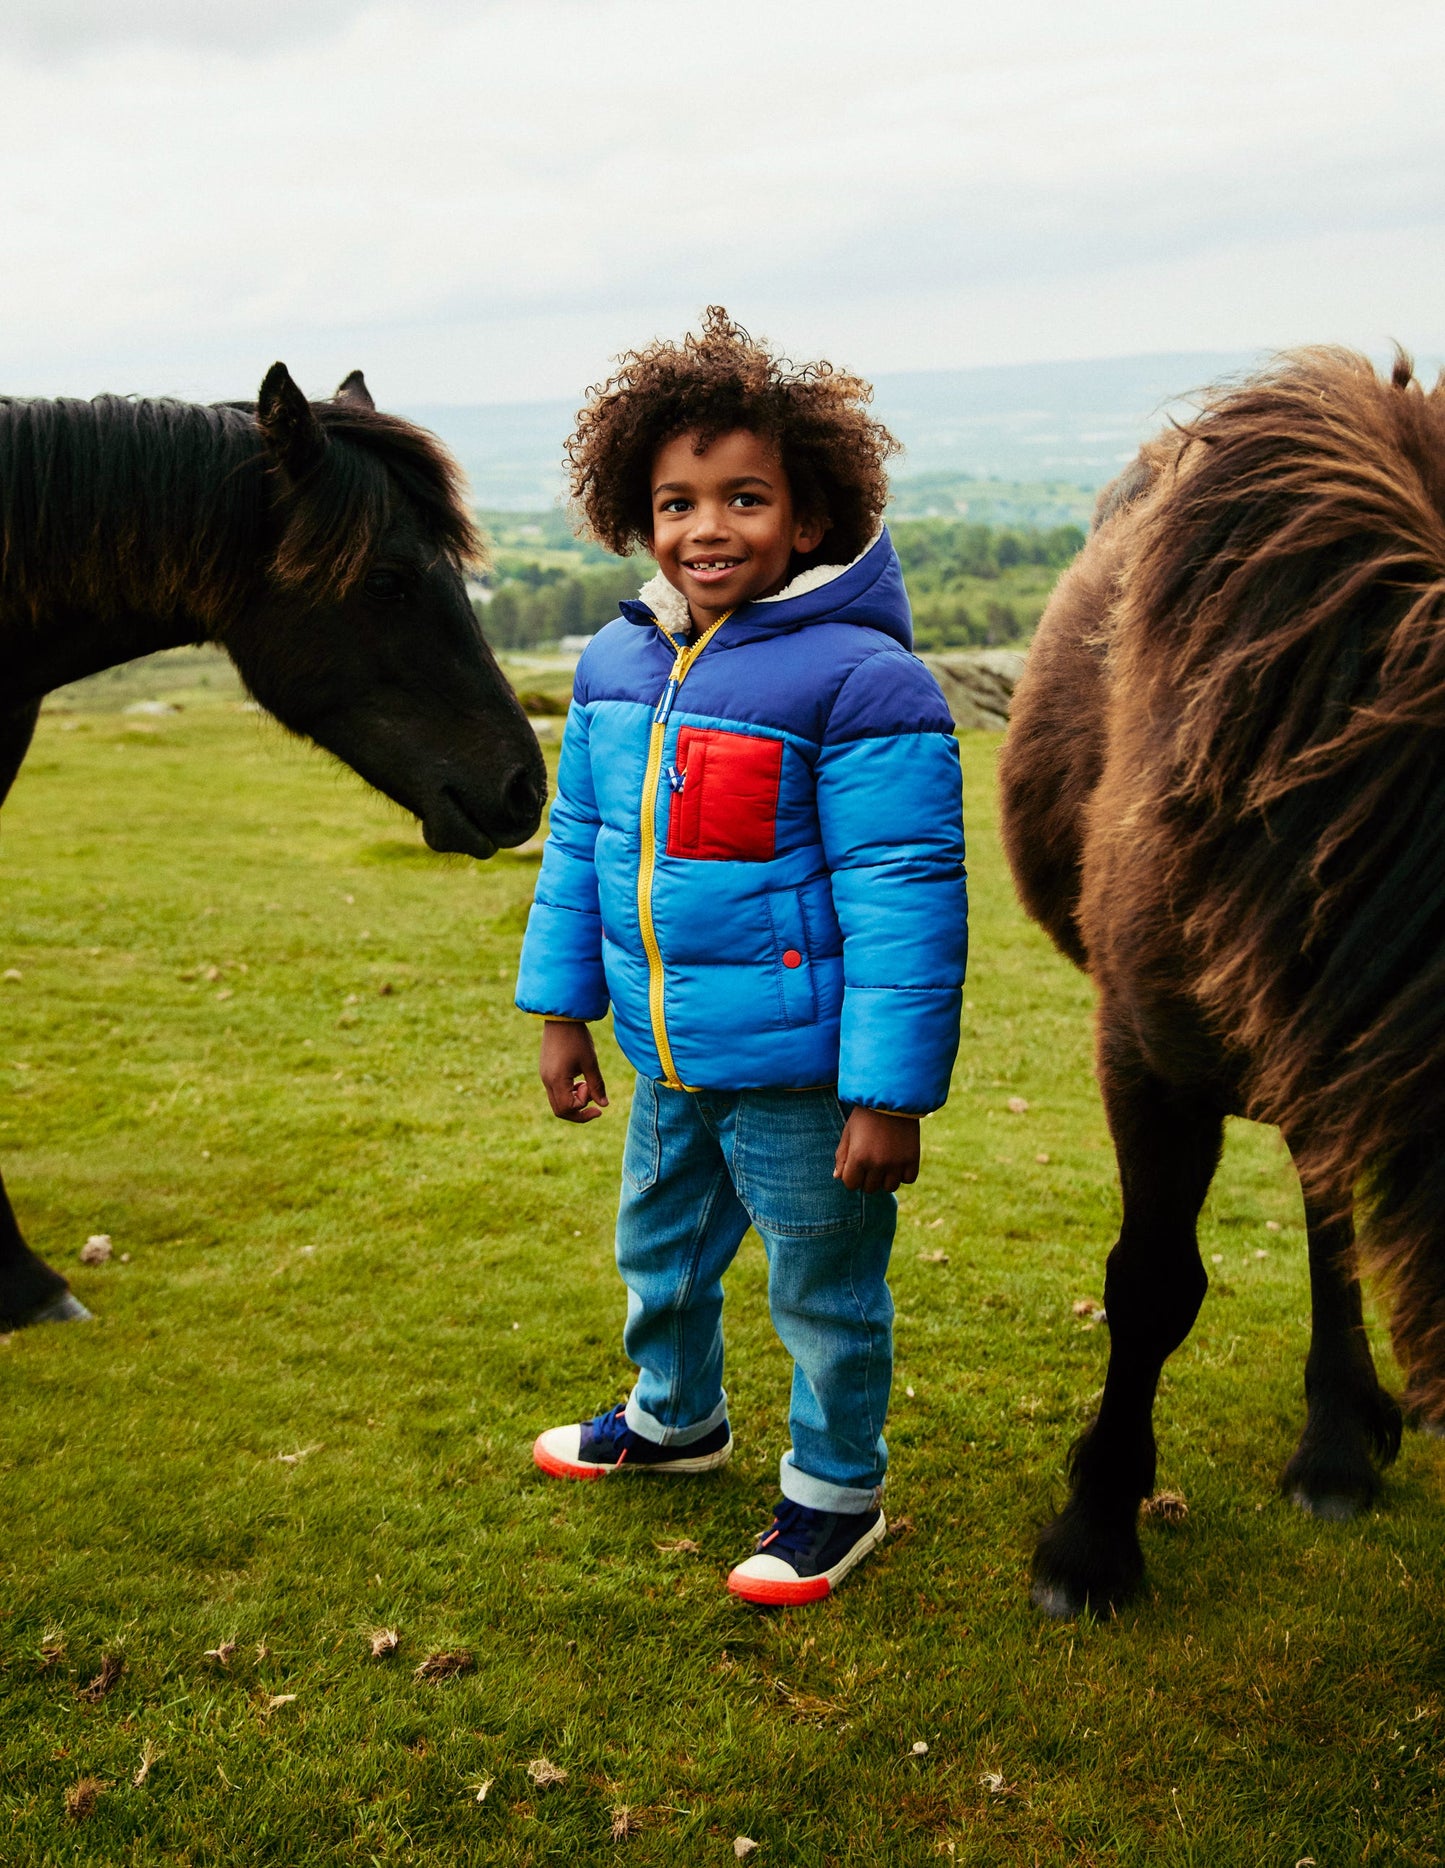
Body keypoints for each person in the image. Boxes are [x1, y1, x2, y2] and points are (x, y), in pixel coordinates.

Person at [515, 308, 968, 1605]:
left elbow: (904, 900)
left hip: (802, 1077)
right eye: (676, 501)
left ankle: (834, 1496)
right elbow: (578, 848)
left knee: (824, 1295)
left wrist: (887, 1094)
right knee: (656, 1255)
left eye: (744, 498)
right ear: (635, 513)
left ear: (810, 516)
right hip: (664, 1060)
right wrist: (562, 1015)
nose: (706, 528)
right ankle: (674, 1421)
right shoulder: (615, 662)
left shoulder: (863, 681)